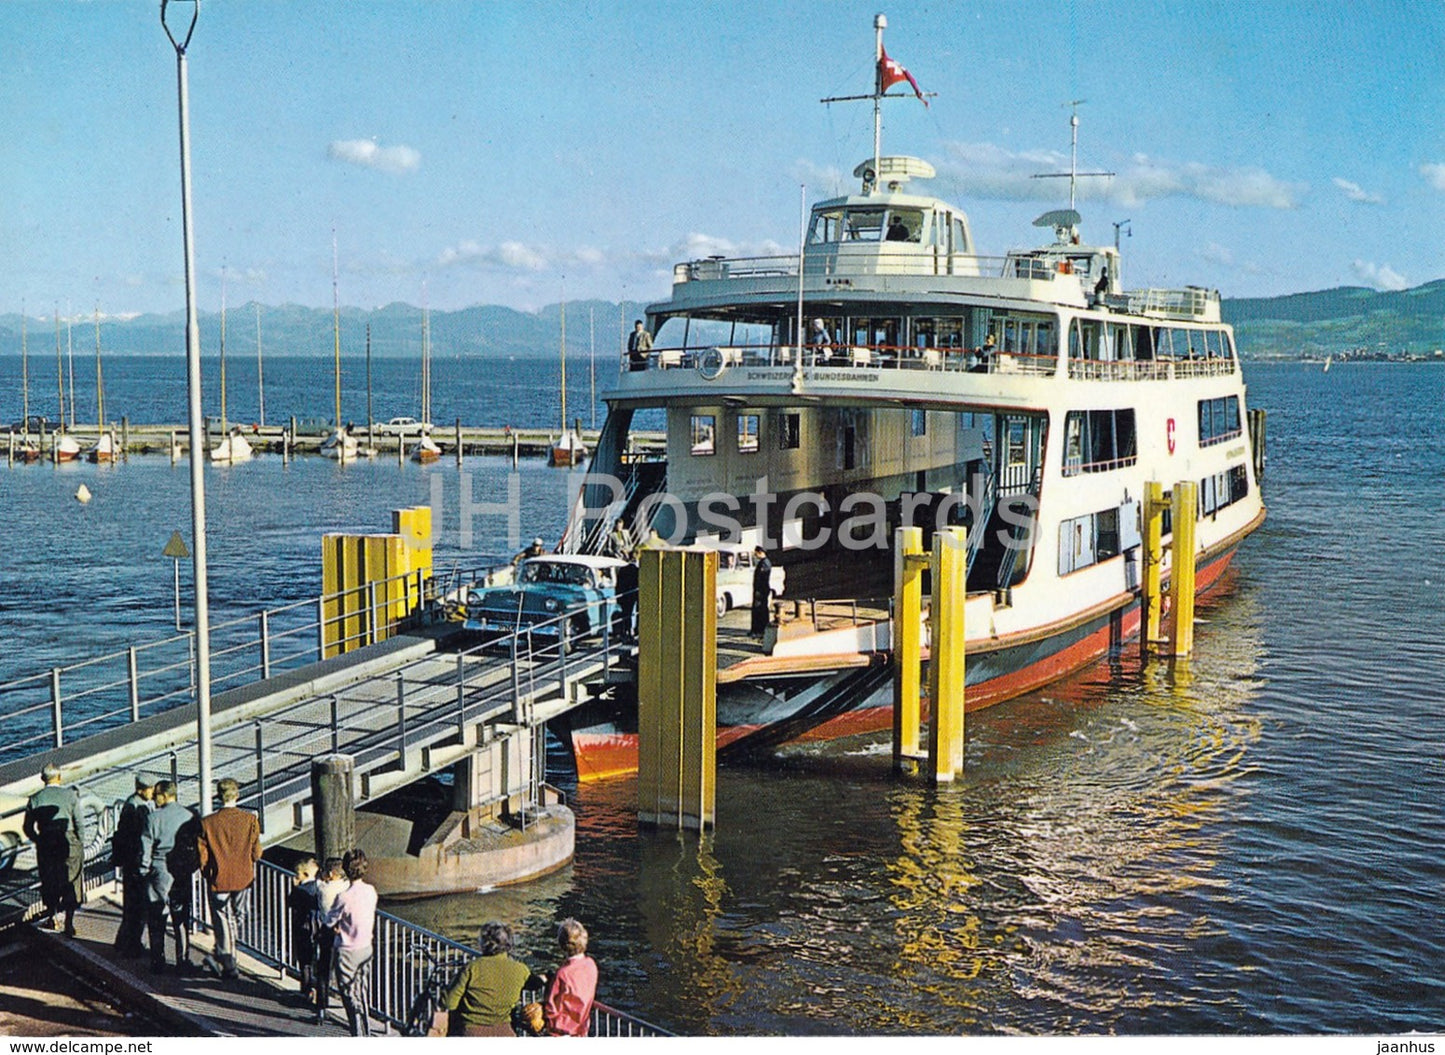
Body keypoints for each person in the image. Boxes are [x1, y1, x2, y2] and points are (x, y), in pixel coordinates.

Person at [197, 777, 262, 980]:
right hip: (244, 877)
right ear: (237, 795)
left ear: (218, 796)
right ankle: (227, 957)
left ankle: (227, 958)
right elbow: (257, 853)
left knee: (223, 917)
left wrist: (208, 873)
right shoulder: (250, 820)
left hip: (219, 878)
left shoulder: (207, 823)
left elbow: (202, 855)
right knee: (239, 914)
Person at [139, 780, 201, 973]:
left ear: (164, 796)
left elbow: (145, 848)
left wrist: (143, 870)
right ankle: (183, 959)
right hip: (181, 870)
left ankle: (158, 960)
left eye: (156, 794)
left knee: (157, 916)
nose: (154, 798)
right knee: (181, 917)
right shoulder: (190, 815)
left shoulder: (153, 818)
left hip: (159, 868)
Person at [441, 920, 539, 1036]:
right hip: (505, 1032)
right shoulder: (520, 970)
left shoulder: (472, 968)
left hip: (471, 1031)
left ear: (484, 943)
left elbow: (449, 1003)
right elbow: (535, 984)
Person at [23, 763, 87, 936]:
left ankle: (52, 917)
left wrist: (38, 840)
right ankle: (69, 922)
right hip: (69, 840)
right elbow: (80, 823)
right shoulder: (71, 795)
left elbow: (28, 828)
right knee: (72, 879)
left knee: (49, 880)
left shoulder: (35, 798)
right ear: (59, 777)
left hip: (46, 842)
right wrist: (80, 843)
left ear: (43, 779)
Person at [323, 849, 377, 1036]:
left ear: (346, 870)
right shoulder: (371, 891)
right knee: (362, 990)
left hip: (347, 950)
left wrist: (337, 926)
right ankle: (367, 1029)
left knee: (347, 993)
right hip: (366, 947)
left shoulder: (343, 897)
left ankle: (357, 1033)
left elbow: (329, 921)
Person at [111, 772, 157, 957]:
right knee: (137, 905)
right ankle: (131, 945)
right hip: (135, 862)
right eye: (150, 789)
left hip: (132, 861)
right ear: (141, 789)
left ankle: (124, 941)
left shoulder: (135, 803)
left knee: (133, 905)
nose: (153, 792)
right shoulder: (135, 807)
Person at [543, 918, 598, 1037]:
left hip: (560, 1032)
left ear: (562, 945)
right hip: (581, 1029)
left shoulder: (563, 973)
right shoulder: (591, 964)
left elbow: (551, 1007)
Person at [312, 856, 349, 1022]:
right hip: (344, 933)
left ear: (331, 874)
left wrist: (319, 875)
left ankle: (321, 1007)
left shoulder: (323, 889)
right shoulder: (346, 887)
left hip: (326, 931)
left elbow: (317, 882)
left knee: (323, 970)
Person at [287, 857, 321, 1004]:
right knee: (316, 960)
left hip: (303, 927)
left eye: (298, 875)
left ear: (305, 875)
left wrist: (294, 887)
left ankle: (306, 989)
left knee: (304, 960)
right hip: (316, 927)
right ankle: (318, 990)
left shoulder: (300, 890)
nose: (296, 878)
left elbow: (290, 902)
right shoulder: (318, 888)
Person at [750, 545, 773, 637]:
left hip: (761, 590)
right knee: (758, 610)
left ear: (760, 552)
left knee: (760, 610)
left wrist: (759, 590)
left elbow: (762, 578)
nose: (755, 555)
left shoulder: (765, 563)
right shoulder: (763, 562)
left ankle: (759, 629)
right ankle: (757, 629)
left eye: (756, 553)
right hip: (759, 590)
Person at [615, 555, 639, 642]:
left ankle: (626, 631)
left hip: (624, 595)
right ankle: (635, 631)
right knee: (635, 613)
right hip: (633, 594)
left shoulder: (622, 570)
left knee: (626, 614)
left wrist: (618, 595)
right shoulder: (636, 570)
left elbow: (618, 584)